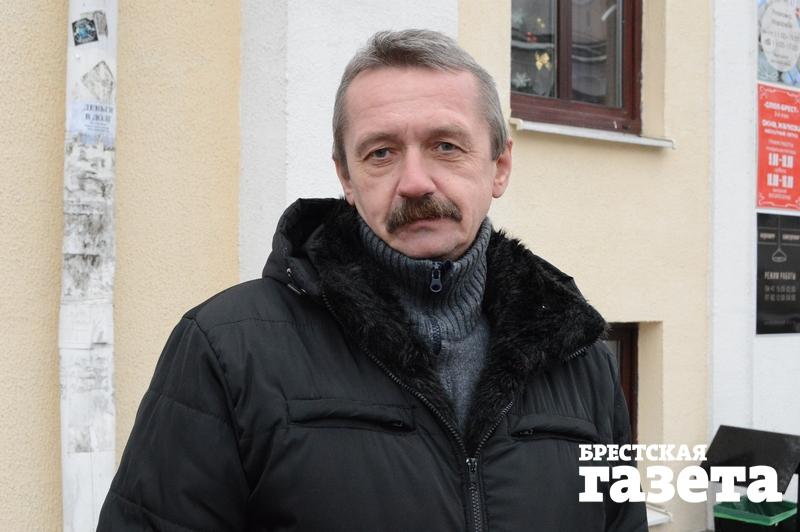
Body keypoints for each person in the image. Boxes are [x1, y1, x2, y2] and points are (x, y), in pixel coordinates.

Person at [98, 29, 647, 531]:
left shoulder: (580, 360)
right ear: (346, 176)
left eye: (446, 146)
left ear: (499, 166)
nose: (414, 181)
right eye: (381, 153)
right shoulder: (227, 350)